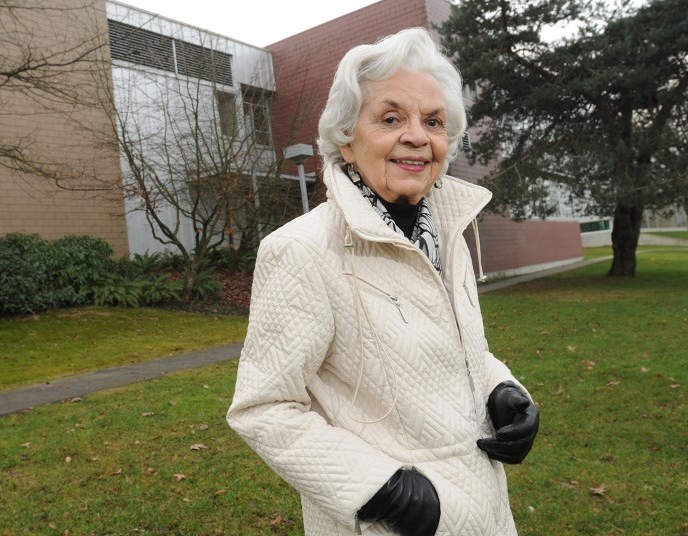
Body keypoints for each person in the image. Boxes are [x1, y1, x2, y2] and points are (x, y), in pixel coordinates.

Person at [226, 27, 539, 536]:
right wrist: (379, 488)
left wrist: (502, 388)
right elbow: (264, 408)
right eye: (391, 118)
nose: (417, 136)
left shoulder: (448, 234)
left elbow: (456, 347)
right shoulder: (301, 250)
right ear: (347, 140)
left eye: (433, 121)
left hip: (485, 512)